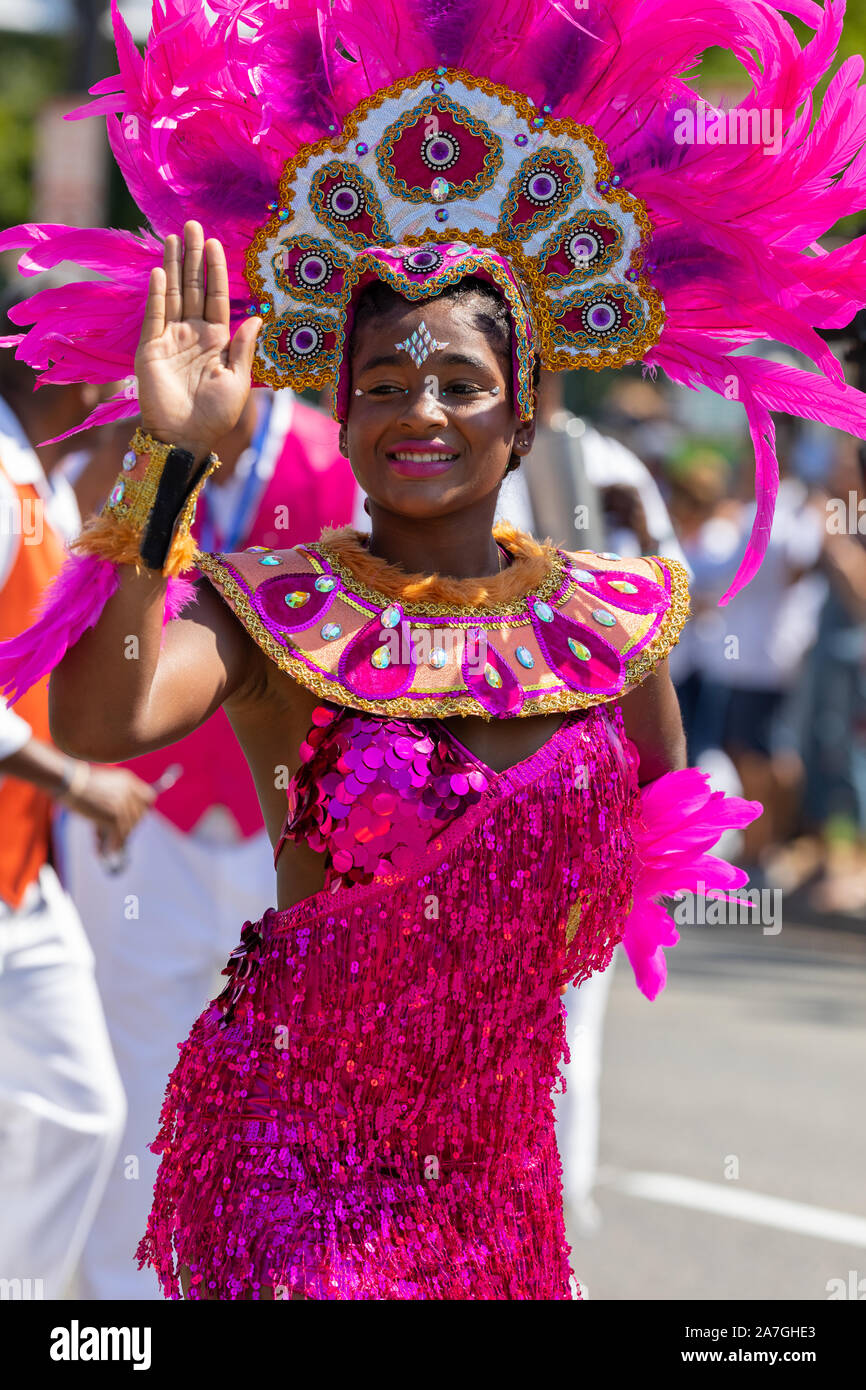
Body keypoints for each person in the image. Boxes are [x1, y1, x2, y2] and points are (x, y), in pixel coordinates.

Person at [1, 0, 862, 1300]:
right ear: (338, 416)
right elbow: (107, 716)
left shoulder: (617, 621)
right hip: (295, 1158)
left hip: (496, 1178)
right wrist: (170, 465)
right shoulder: (278, 608)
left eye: (459, 382)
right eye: (385, 382)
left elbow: (652, 831)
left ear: (519, 417)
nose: (421, 409)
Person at [54, 384, 355, 1300]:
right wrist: (137, 453)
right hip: (145, 820)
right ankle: (121, 1312)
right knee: (132, 1080)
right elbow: (73, 602)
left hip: (289, 833)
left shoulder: (346, 451)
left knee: (287, 1102)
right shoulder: (125, 439)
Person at [0, 284, 153, 1299]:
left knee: (80, 1111)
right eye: (105, 346)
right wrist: (77, 781)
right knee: (66, 1113)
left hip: (20, 877)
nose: (117, 368)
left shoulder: (34, 477)